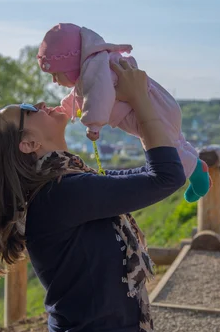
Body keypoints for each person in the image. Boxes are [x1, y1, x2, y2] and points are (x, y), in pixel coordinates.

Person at [0, 59, 186, 332]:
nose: (40, 103)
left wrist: (127, 107)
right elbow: (166, 176)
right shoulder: (61, 194)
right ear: (28, 143)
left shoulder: (66, 185)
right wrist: (139, 98)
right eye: (28, 109)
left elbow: (158, 172)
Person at [37, 22, 210, 203]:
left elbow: (99, 97)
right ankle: (197, 164)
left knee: (167, 151)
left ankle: (197, 173)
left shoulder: (97, 70)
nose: (55, 81)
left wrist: (94, 124)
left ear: (70, 65)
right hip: (162, 106)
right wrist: (65, 109)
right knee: (176, 141)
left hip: (149, 112)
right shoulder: (96, 66)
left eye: (56, 74)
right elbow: (80, 95)